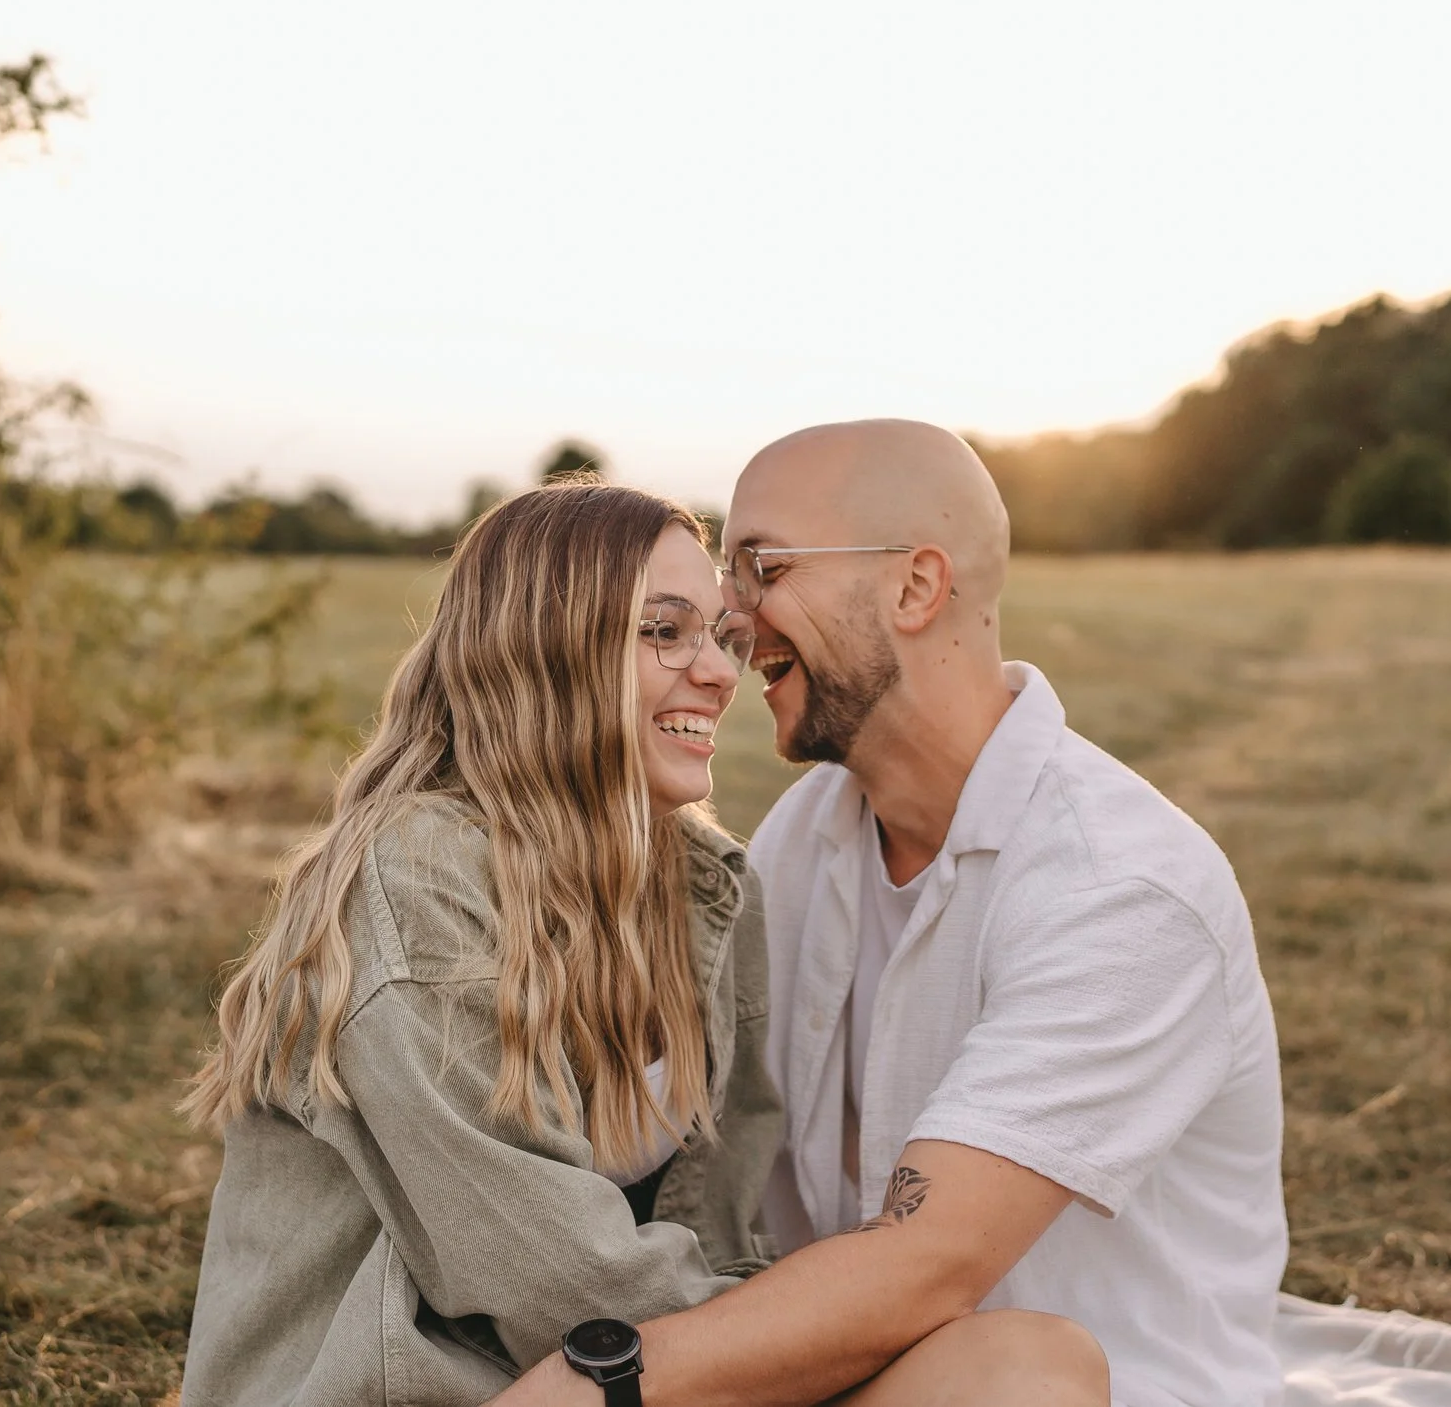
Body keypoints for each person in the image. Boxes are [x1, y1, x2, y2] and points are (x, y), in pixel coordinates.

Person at [492, 421, 1283, 1407]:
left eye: (760, 567)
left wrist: (589, 1385)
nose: (730, 619)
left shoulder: (1117, 888)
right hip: (841, 1377)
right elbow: (672, 1125)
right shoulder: (805, 836)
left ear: (915, 587)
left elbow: (924, 1263)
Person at [177, 480, 780, 1407]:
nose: (718, 672)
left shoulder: (705, 885)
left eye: (722, 635)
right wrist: (812, 1331)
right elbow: (557, 1279)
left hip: (620, 1377)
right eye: (664, 630)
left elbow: (720, 1215)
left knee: (1022, 1357)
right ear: (542, 649)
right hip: (413, 1387)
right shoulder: (418, 879)